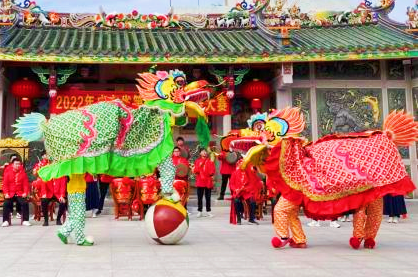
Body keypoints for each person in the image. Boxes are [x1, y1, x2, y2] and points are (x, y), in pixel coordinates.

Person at [57, 174, 94, 246]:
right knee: (80, 216)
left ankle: (63, 231)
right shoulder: (77, 164)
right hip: (78, 191)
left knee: (74, 215)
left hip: (72, 191)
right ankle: (80, 239)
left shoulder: (70, 164)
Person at [33, 152, 67, 226]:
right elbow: (43, 183)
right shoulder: (47, 172)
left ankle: (58, 219)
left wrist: (62, 195)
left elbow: (63, 185)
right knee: (44, 201)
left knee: (63, 202)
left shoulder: (61, 173)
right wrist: (44, 194)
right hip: (48, 193)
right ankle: (46, 220)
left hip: (58, 194)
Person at [229, 159, 263, 225]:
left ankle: (251, 219)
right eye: (241, 164)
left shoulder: (249, 172)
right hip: (238, 191)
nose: (242, 165)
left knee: (252, 201)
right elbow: (231, 184)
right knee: (236, 201)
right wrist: (235, 189)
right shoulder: (234, 173)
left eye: (243, 164)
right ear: (238, 165)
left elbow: (252, 183)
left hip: (246, 191)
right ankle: (239, 219)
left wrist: (246, 189)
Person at [1, 158, 31, 227]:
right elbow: (5, 185)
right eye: (16, 164)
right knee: (6, 204)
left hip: (20, 193)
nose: (18, 165)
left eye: (19, 164)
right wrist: (6, 194)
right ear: (12, 165)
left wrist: (25, 193)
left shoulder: (23, 174)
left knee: (25, 203)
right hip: (10, 194)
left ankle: (25, 220)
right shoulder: (8, 173)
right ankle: (6, 221)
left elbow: (26, 185)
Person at [193, 148, 215, 218]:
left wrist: (210, 173)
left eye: (205, 151)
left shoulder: (210, 161)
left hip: (208, 181)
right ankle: (200, 211)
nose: (204, 152)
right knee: (200, 197)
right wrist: (199, 167)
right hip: (200, 181)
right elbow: (196, 170)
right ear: (200, 153)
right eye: (202, 151)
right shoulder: (197, 161)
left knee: (208, 197)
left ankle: (208, 211)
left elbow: (212, 171)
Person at [1, 154, 22, 219]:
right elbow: (5, 181)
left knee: (20, 197)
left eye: (15, 158)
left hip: (18, 188)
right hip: (9, 188)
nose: (14, 159)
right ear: (11, 160)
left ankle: (19, 212)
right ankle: (10, 213)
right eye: (13, 159)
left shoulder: (20, 168)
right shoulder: (7, 167)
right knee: (8, 199)